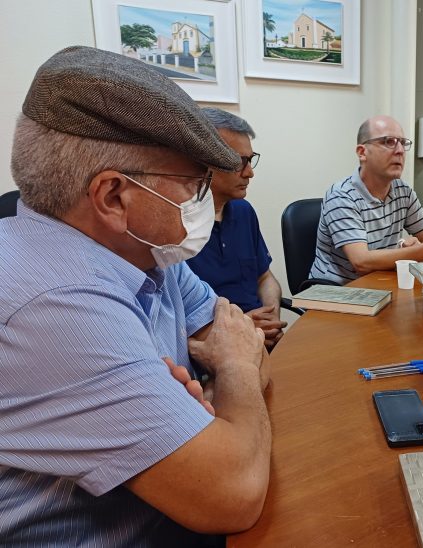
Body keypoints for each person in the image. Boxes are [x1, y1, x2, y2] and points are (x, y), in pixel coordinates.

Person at [0, 46, 271, 545]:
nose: (202, 200)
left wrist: (215, 402)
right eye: (194, 183)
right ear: (113, 196)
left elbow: (246, 340)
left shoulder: (151, 255)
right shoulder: (53, 303)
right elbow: (233, 493)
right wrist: (230, 372)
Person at [310, 115, 423, 285]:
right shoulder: (341, 196)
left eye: (403, 143)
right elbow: (361, 262)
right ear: (362, 152)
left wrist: (419, 248)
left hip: (379, 284)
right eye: (388, 142)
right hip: (335, 293)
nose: (400, 150)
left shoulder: (403, 191)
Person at [187, 108, 287, 350]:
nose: (250, 173)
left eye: (250, 160)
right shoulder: (176, 225)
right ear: (203, 160)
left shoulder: (244, 211)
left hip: (262, 340)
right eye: (238, 162)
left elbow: (265, 277)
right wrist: (243, 326)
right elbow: (181, 321)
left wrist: (271, 316)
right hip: (215, 347)